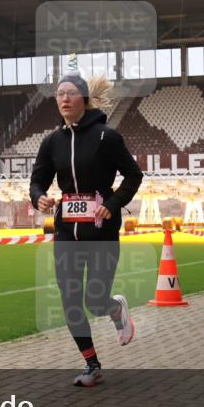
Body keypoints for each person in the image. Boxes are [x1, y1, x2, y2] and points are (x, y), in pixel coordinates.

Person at [30, 69, 143, 387]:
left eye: (70, 93)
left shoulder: (107, 137)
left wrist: (113, 202)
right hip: (67, 231)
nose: (64, 98)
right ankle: (91, 363)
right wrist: (39, 197)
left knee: (95, 301)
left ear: (84, 98)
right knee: (70, 299)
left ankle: (115, 309)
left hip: (101, 232)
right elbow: (37, 181)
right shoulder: (51, 142)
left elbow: (134, 175)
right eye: (59, 94)